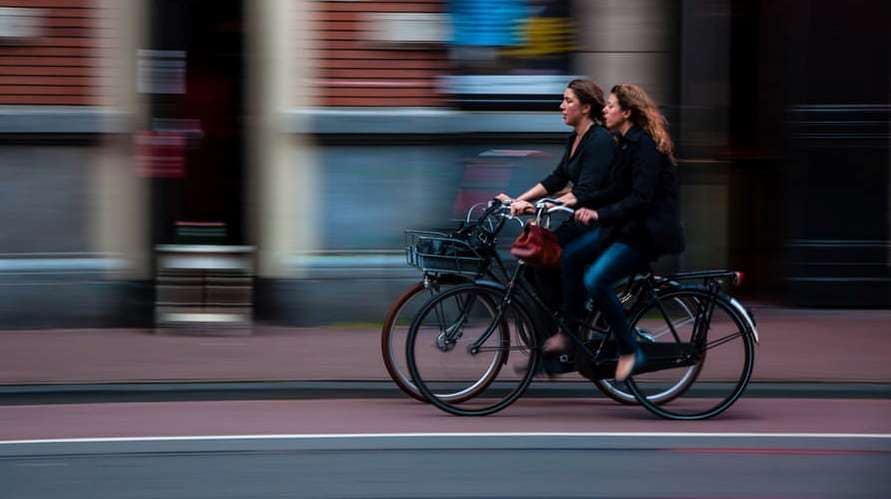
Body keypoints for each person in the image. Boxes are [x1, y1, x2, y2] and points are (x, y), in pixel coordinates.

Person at [547, 83, 685, 382]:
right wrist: (581, 202)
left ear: (627, 112)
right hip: (624, 228)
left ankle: (630, 350)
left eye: (610, 106)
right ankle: (570, 332)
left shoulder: (645, 145)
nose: (605, 110)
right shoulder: (622, 142)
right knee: (570, 256)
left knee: (596, 280)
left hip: (646, 234)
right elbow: (615, 189)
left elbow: (640, 199)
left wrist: (598, 213)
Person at [495, 79, 616, 328]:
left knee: (548, 260)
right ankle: (560, 327)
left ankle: (572, 323)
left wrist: (543, 207)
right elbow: (557, 179)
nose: (561, 106)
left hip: (599, 223)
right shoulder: (574, 139)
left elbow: (585, 192)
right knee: (535, 266)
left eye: (568, 100)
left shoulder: (600, 140)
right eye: (563, 100)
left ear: (585, 108)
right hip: (579, 220)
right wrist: (520, 199)